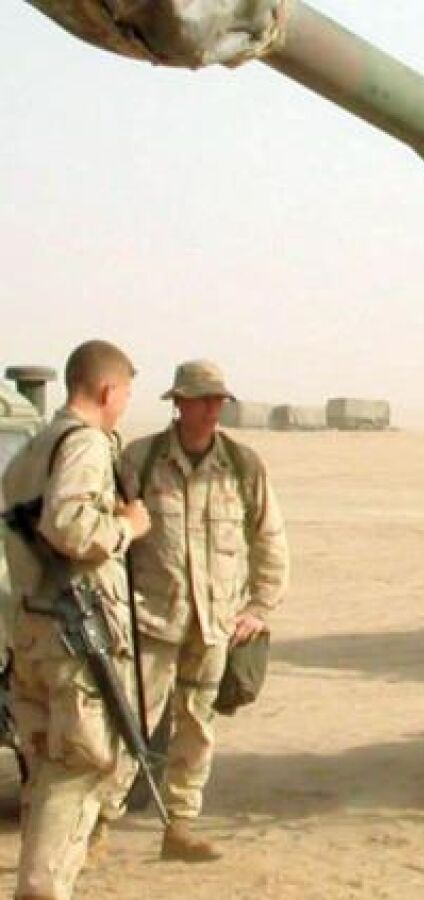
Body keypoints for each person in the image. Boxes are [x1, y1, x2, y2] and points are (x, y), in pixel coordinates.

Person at [108, 360, 289, 862]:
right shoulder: (140, 460)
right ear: (179, 403)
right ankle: (98, 825)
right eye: (202, 400)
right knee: (128, 726)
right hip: (149, 622)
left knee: (196, 727)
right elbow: (110, 538)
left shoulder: (242, 466)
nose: (212, 409)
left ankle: (180, 826)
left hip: (213, 627)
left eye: (218, 400)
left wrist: (259, 607)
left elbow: (270, 539)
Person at [0, 340, 148, 900]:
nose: (125, 405)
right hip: (72, 636)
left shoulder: (35, 446)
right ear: (107, 391)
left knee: (46, 770)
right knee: (82, 766)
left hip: (35, 632)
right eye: (125, 394)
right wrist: (128, 526)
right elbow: (68, 526)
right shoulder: (83, 443)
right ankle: (42, 891)